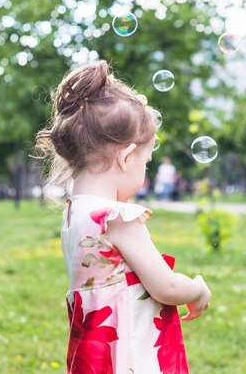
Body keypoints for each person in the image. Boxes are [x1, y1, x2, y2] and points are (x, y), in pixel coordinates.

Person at [35, 61, 211, 373]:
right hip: (129, 354)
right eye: (145, 163)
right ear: (126, 157)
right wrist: (198, 289)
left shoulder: (75, 212)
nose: (145, 172)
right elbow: (166, 287)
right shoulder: (117, 217)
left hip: (95, 353)